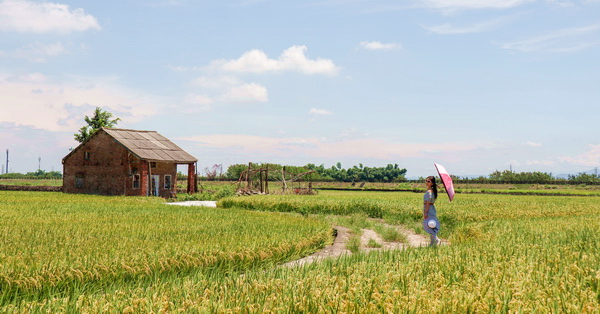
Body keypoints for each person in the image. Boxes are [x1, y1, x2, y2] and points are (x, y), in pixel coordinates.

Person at [423, 176, 441, 247]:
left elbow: (427, 203)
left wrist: (425, 212)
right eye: (426, 181)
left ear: (432, 183)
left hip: (429, 210)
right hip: (432, 209)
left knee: (430, 225)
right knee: (430, 225)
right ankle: (432, 242)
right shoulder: (432, 191)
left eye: (428, 181)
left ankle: (436, 240)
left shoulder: (429, 192)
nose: (426, 182)